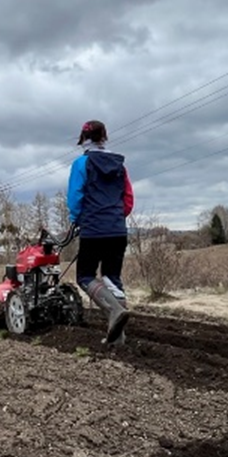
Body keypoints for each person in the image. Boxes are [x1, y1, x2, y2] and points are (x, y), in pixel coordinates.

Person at [68, 120, 133, 344]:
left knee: (85, 275)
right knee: (112, 278)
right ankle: (118, 339)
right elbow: (128, 198)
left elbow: (75, 197)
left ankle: (114, 311)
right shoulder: (119, 165)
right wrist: (115, 217)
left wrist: (77, 219)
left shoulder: (81, 164)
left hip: (94, 229)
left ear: (83, 139)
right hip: (117, 229)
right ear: (103, 137)